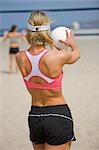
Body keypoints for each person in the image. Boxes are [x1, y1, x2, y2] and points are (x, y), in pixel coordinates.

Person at [16, 11, 80, 150]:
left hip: (35, 116)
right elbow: (76, 55)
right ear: (47, 31)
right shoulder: (57, 57)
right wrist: (72, 44)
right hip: (57, 114)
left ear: (28, 30)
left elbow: (37, 57)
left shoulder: (20, 57)